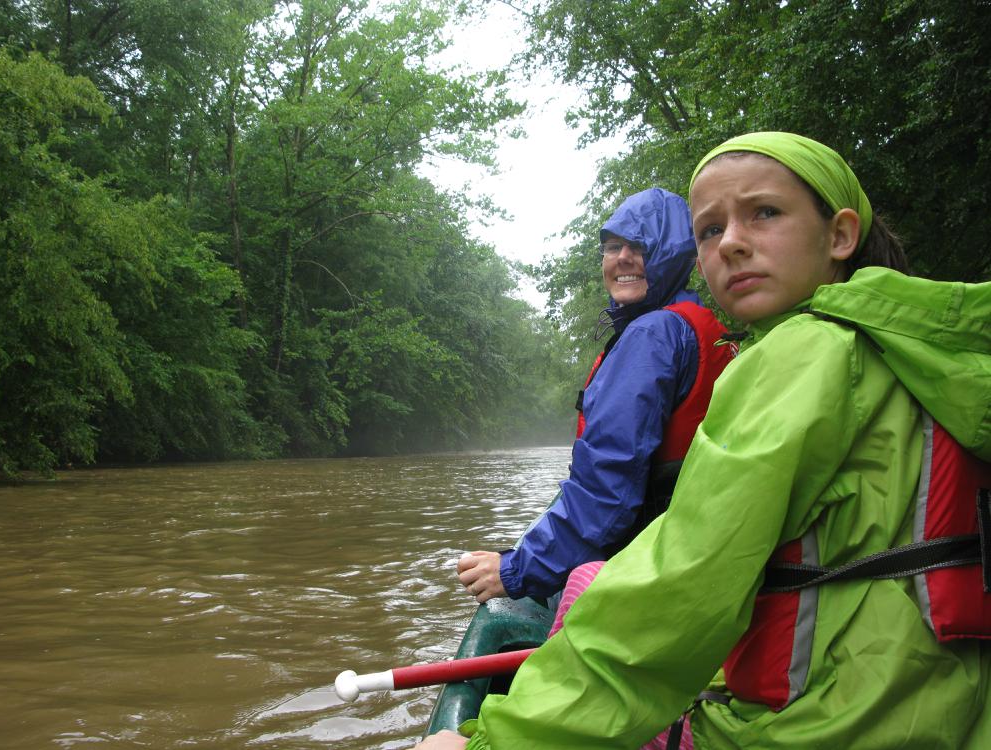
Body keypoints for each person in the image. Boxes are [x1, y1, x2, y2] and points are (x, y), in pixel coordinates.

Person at [415, 132, 991, 749]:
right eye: (712, 229)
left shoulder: (793, 356)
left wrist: (493, 738)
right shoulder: (925, 351)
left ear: (840, 235)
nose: (733, 242)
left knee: (584, 587)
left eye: (764, 213)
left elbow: (677, 583)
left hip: (821, 723)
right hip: (945, 698)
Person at [458, 188, 734, 604]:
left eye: (640, 246)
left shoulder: (652, 335)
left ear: (673, 255)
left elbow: (608, 485)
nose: (622, 258)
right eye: (612, 247)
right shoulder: (696, 326)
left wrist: (516, 568)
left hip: (652, 560)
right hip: (691, 546)